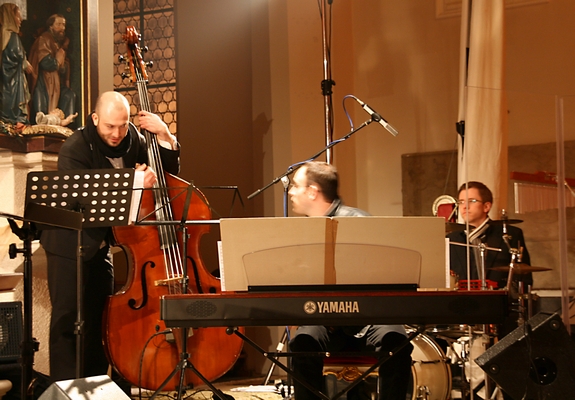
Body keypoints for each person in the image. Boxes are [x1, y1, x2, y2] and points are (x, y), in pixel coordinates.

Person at [39, 91, 179, 385]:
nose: (116, 134)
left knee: (101, 320)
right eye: (109, 127)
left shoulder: (133, 139)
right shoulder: (75, 148)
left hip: (101, 245)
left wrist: (165, 135)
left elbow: (167, 175)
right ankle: (66, 389)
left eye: (123, 125)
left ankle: (96, 386)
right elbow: (87, 203)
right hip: (68, 242)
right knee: (68, 319)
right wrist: (135, 182)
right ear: (95, 119)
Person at [287, 161, 413, 400]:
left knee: (396, 341)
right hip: (324, 319)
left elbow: (384, 272)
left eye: (296, 185)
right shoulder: (300, 230)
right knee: (303, 342)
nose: (291, 192)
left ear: (312, 191)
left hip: (367, 320)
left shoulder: (359, 222)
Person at [447, 181, 532, 291]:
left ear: (486, 206)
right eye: (461, 202)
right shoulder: (452, 239)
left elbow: (524, 277)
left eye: (472, 201)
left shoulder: (510, 234)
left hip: (499, 299)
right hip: (462, 299)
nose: (465, 207)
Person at [28, 14, 77, 122]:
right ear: (51, 26)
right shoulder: (43, 39)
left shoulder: (57, 44)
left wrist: (62, 64)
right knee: (42, 111)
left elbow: (63, 69)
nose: (62, 28)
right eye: (58, 24)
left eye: (63, 25)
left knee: (69, 95)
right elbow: (46, 63)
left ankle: (66, 124)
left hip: (56, 84)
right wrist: (57, 61)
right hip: (43, 82)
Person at [0, 3, 32, 127]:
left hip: (5, 77)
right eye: (18, 16)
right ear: (10, 17)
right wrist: (25, 62)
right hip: (14, 79)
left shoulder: (2, 35)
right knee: (14, 102)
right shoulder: (12, 36)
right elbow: (17, 54)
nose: (21, 20)